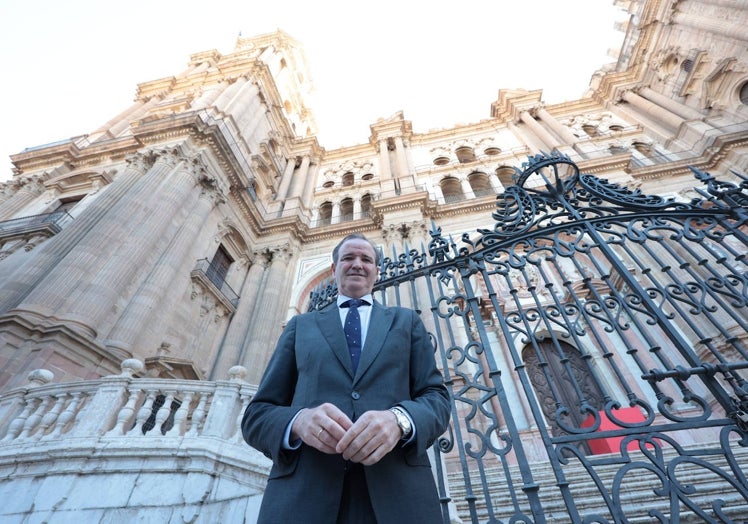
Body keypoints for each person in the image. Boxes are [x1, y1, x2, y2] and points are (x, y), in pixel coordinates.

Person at [242, 233, 451, 523]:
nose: (357, 264)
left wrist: (399, 420)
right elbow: (256, 415)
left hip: (398, 497)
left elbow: (437, 399)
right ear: (333, 269)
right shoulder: (300, 326)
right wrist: (298, 422)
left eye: (366, 259)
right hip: (304, 499)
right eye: (348, 258)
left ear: (377, 272)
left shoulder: (406, 321)